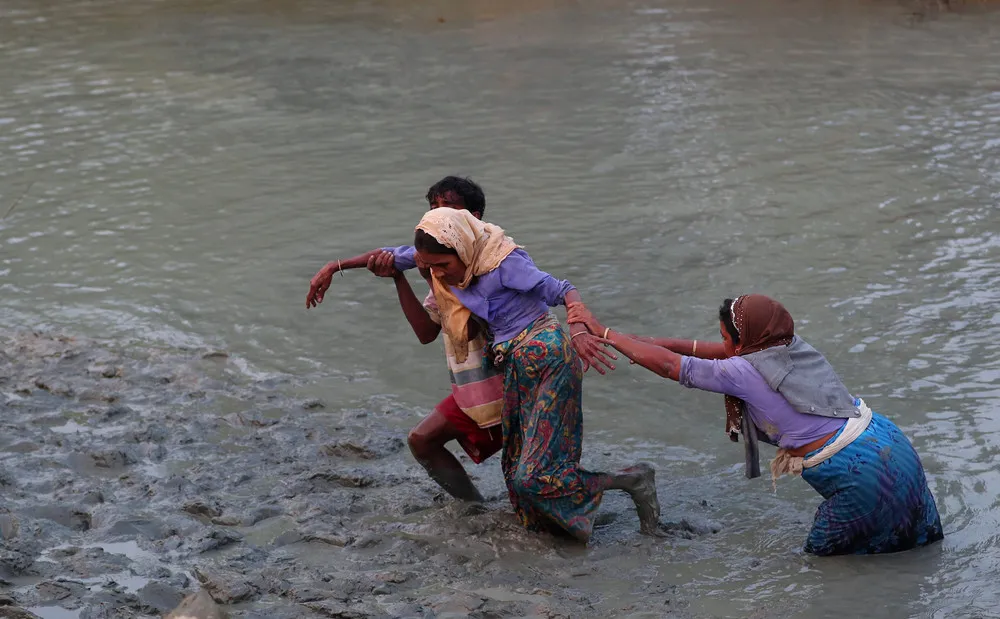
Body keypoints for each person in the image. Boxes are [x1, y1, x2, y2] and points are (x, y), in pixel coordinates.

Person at [568, 294, 944, 555]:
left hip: (858, 472)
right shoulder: (790, 344)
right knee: (918, 543)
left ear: (743, 339)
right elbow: (710, 352)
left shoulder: (741, 370)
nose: (723, 344)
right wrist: (627, 339)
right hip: (888, 441)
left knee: (821, 563)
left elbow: (671, 366)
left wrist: (602, 333)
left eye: (725, 336)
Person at [401, 207, 660, 543]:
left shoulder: (504, 262)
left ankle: (631, 480)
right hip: (516, 367)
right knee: (515, 476)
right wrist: (334, 268)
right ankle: (576, 528)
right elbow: (396, 258)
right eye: (431, 266)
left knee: (531, 477)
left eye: (443, 266)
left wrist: (579, 327)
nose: (438, 274)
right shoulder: (459, 272)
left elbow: (562, 290)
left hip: (549, 359)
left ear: (462, 247)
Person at [305, 177, 503, 502]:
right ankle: (474, 507)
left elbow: (470, 326)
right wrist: (343, 267)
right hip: (478, 386)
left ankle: (610, 481)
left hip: (515, 380)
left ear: (475, 217)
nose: (440, 218)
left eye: (449, 209)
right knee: (422, 440)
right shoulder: (441, 262)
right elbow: (426, 330)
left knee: (530, 473)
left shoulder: (492, 258)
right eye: (434, 209)